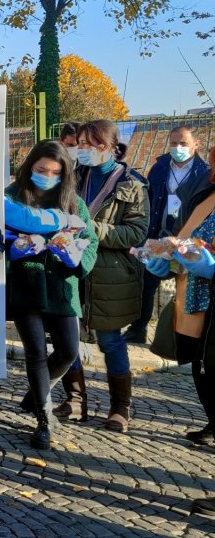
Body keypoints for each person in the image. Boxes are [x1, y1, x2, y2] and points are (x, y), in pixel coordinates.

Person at [5, 141, 97, 449]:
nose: (47, 175)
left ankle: (34, 397)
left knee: (69, 351)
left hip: (61, 286)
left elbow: (89, 241)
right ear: (30, 166)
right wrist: (15, 249)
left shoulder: (73, 202)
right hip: (26, 285)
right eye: (41, 169)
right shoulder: (12, 196)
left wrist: (74, 256)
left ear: (64, 174)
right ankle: (44, 420)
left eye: (55, 172)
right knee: (35, 353)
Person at [67, 119, 149, 432]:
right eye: (81, 143)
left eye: (90, 144)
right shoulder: (75, 175)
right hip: (72, 268)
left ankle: (120, 408)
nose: (83, 149)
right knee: (69, 337)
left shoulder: (133, 184)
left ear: (108, 146)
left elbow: (136, 232)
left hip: (110, 274)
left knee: (110, 341)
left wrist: (91, 228)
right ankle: (75, 401)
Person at [138, 143, 215, 447]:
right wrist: (166, 258)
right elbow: (184, 239)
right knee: (194, 359)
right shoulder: (205, 195)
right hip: (193, 289)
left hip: (208, 286)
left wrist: (197, 258)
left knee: (208, 361)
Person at [125, 126, 210, 343]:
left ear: (196, 145)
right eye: (174, 143)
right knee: (147, 281)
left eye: (183, 143)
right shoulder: (160, 167)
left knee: (184, 284)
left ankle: (181, 337)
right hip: (157, 231)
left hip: (186, 234)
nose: (178, 147)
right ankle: (138, 328)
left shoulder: (205, 172)